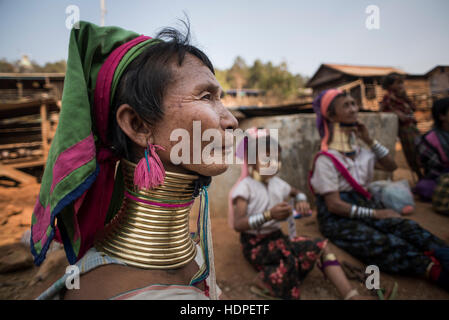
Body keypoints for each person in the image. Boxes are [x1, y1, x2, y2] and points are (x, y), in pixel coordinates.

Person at [31, 20, 238, 300]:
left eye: (220, 98)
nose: (231, 120)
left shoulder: (193, 254)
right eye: (206, 96)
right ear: (139, 125)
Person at [309, 89, 449, 293]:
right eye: (346, 105)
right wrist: (376, 213)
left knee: (408, 228)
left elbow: (391, 165)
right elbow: (334, 205)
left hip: (364, 206)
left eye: (353, 104)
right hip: (337, 219)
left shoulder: (362, 153)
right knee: (385, 243)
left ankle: (443, 255)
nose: (353, 109)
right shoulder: (326, 160)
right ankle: (436, 272)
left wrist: (369, 140)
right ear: (330, 116)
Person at [229, 128, 373, 300]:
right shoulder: (244, 188)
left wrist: (302, 200)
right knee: (290, 261)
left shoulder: (278, 184)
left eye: (277, 159)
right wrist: (269, 215)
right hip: (256, 245)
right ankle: (264, 279)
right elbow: (238, 225)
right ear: (252, 161)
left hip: (277, 238)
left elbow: (297, 192)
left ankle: (350, 294)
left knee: (321, 246)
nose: (273, 163)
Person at [380, 72, 423, 179]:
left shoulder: (402, 97)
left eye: (401, 83)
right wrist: (395, 113)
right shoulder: (388, 98)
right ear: (390, 85)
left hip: (413, 126)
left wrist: (406, 97)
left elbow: (413, 108)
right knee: (412, 152)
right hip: (404, 129)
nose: (401, 85)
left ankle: (424, 174)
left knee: (421, 149)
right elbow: (382, 113)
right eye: (398, 83)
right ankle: (419, 175)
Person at [416, 98, 449, 215]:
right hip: (439, 176)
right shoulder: (429, 139)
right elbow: (431, 167)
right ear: (442, 116)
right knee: (424, 188)